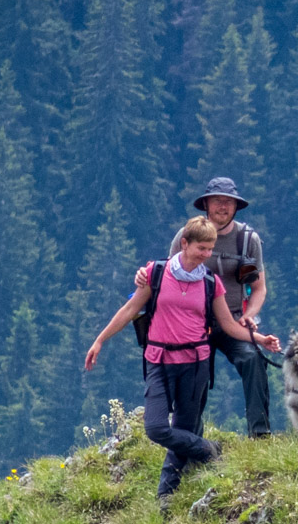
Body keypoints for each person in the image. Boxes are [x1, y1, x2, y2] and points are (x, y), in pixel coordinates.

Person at [86, 216, 280, 507]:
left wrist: (260, 339)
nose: (206, 255)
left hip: (195, 363)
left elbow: (228, 325)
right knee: (156, 428)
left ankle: (166, 496)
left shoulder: (211, 283)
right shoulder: (156, 273)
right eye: (201, 248)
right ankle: (210, 450)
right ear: (184, 243)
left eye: (210, 249)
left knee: (184, 428)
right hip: (159, 360)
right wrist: (100, 340)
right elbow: (130, 309)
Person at [137, 178, 278, 437]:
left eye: (229, 202)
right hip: (192, 325)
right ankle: (192, 438)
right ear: (206, 205)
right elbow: (168, 275)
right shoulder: (186, 236)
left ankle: (260, 436)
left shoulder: (248, 240)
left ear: (236, 207)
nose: (223, 206)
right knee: (193, 377)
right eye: (217, 201)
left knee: (253, 359)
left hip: (233, 321)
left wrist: (250, 315)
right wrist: (142, 276)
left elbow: (259, 288)